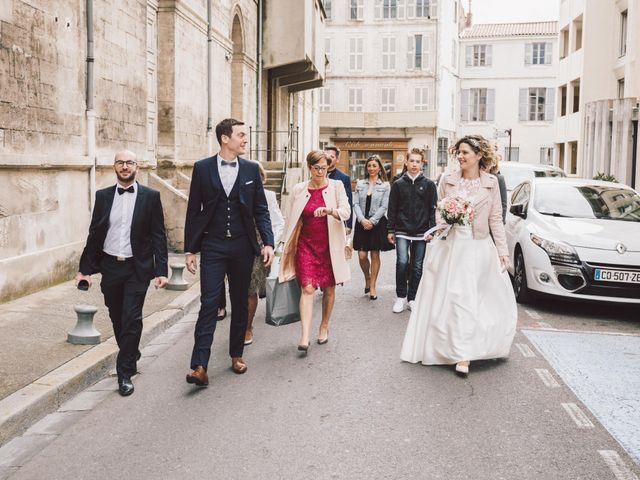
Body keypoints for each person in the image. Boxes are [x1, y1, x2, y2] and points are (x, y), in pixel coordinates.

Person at [400, 135, 517, 376]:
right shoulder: (448, 180)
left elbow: (496, 218)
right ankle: (451, 349)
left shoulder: (492, 183)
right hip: (451, 247)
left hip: (478, 247)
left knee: (472, 299)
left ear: (478, 155)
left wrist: (503, 252)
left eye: (465, 153)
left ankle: (464, 353)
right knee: (451, 298)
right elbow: (439, 214)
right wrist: (445, 222)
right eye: (459, 153)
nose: (461, 157)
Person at [184, 118, 274, 386]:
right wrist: (190, 249)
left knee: (239, 300)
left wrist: (267, 242)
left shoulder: (249, 170)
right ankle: (200, 365)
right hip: (212, 245)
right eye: (241, 135)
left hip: (242, 246)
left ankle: (237, 354)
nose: (245, 139)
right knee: (209, 303)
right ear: (225, 138)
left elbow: (261, 209)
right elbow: (194, 210)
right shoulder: (202, 169)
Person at [75, 150, 168, 396]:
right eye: (120, 162)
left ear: (137, 166)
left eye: (129, 162)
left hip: (137, 268)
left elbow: (159, 235)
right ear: (114, 167)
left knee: (131, 318)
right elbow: (94, 235)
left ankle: (125, 372)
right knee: (117, 316)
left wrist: (161, 270)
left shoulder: (151, 196)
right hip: (111, 267)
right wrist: (85, 270)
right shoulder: (103, 196)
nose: (125, 166)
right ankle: (131, 350)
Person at [278, 150, 351, 352]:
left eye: (324, 168)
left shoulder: (336, 187)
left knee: (329, 289)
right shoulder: (299, 189)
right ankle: (304, 336)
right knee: (307, 288)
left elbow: (346, 211)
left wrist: (330, 211)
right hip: (306, 245)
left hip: (330, 246)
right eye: (316, 168)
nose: (320, 172)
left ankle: (324, 325)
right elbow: (290, 219)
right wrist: (284, 244)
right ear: (309, 168)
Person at [386, 148, 437, 314]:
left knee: (417, 266)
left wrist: (432, 230)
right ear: (406, 162)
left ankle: (412, 298)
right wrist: (390, 230)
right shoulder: (398, 184)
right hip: (401, 230)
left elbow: (432, 209)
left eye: (418, 161)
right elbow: (392, 209)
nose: (414, 164)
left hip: (422, 232)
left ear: (422, 164)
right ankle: (400, 296)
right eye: (412, 161)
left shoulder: (429, 185)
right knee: (402, 262)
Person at [244, 162, 285, 346]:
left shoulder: (267, 195)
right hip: (237, 246)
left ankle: (247, 327)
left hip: (259, 248)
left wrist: (269, 244)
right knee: (238, 290)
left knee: (251, 289)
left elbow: (277, 222)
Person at [352, 155, 393, 300]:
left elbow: (384, 206)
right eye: (369, 166)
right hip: (361, 223)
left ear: (379, 168)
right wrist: (362, 219)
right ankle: (367, 278)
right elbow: (355, 203)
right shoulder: (360, 184)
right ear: (366, 168)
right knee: (362, 256)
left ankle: (373, 285)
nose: (371, 168)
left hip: (377, 223)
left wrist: (373, 221)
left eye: (374, 166)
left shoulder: (385, 186)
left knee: (375, 255)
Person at [324, 145, 353, 234]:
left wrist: (348, 225)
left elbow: (348, 202)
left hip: (336, 219)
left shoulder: (344, 178)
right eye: (326, 156)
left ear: (337, 159)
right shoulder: (316, 175)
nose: (328, 159)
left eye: (332, 157)